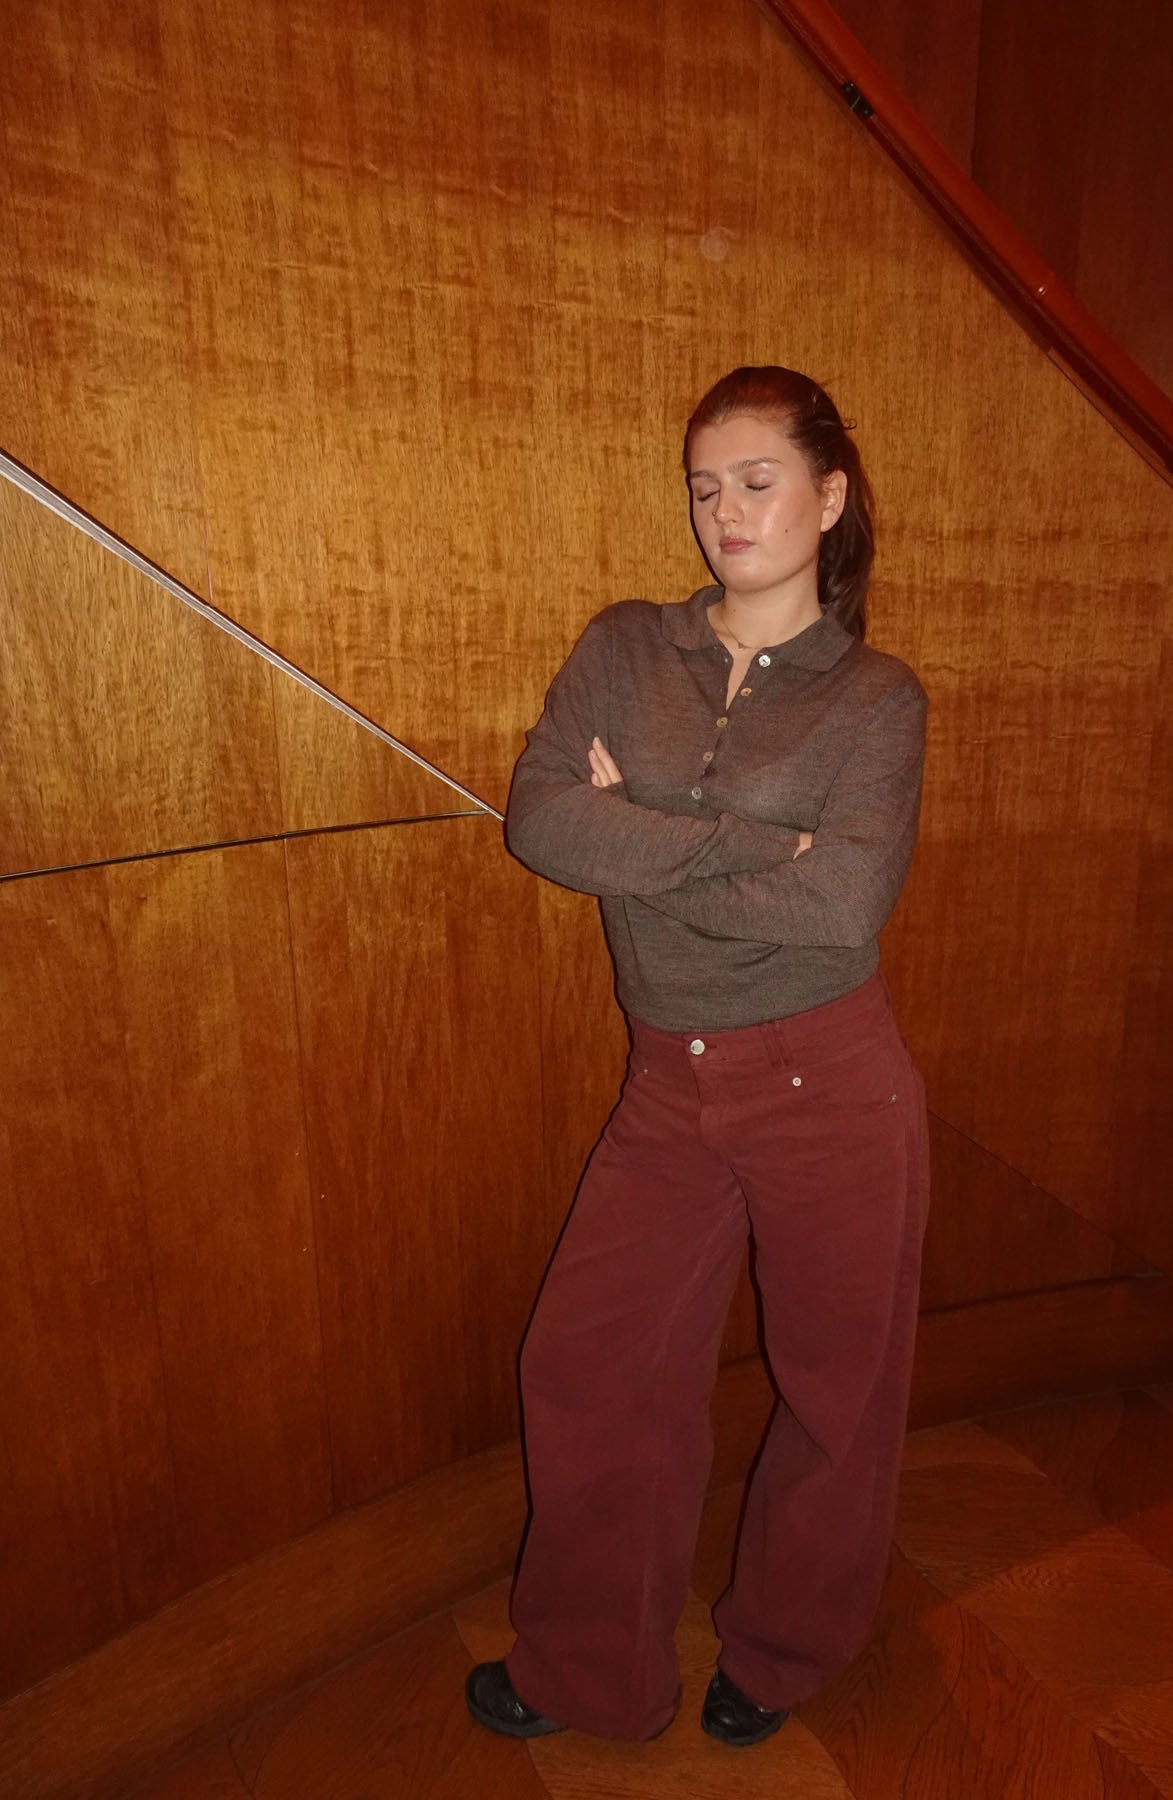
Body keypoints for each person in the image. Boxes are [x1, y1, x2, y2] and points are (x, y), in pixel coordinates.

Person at [466, 365, 930, 1750]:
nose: (723, 510)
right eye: (703, 486)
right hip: (668, 1080)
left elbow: (842, 901)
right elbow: (541, 821)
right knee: (590, 1367)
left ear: (829, 497)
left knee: (840, 1391)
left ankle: (782, 1651)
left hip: (830, 1080)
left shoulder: (878, 699)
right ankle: (588, 1667)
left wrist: (641, 834)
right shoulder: (625, 648)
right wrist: (753, 845)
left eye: (755, 480)